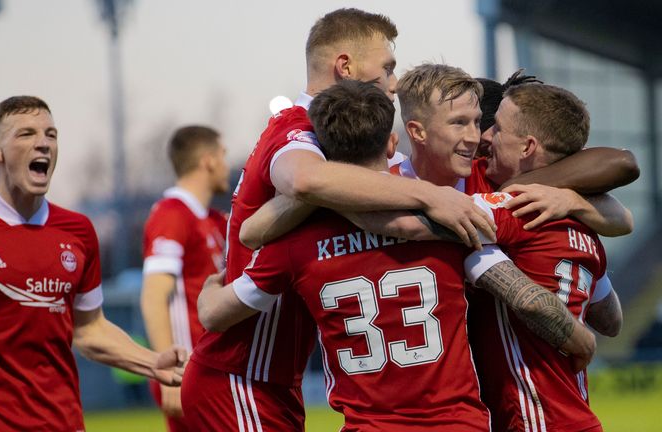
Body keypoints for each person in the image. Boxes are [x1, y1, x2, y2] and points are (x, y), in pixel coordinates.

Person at [197, 79, 596, 431]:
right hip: (458, 424)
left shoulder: (294, 244)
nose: (478, 135)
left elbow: (219, 307)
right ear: (393, 144)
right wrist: (580, 339)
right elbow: (526, 296)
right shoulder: (452, 224)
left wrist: (207, 293)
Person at [182, 9, 496, 431]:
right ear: (345, 67)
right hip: (242, 372)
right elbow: (305, 180)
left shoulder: (319, 161)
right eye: (386, 67)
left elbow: (256, 228)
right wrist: (429, 195)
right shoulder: (299, 131)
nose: (395, 81)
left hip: (268, 374)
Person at [0, 96, 185, 431]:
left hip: (64, 422)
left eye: (51, 134)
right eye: (26, 134)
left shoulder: (79, 231)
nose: (43, 144)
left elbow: (90, 329)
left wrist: (152, 362)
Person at [466, 83, 624, 432]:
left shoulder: (515, 209)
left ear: (527, 146)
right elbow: (612, 321)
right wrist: (581, 202)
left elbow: (437, 215)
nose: (485, 136)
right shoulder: (587, 227)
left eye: (497, 127)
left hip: (536, 419)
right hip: (576, 413)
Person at [141, 125, 228, 430]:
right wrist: (169, 373)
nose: (227, 164)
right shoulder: (172, 214)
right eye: (223, 155)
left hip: (216, 370)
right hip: (188, 370)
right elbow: (154, 296)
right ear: (209, 161)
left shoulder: (213, 220)